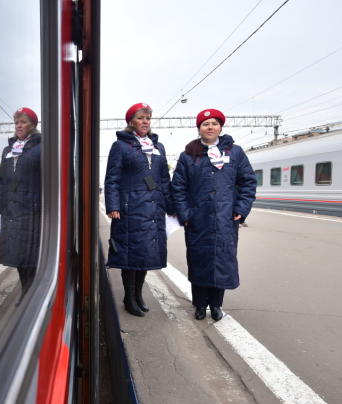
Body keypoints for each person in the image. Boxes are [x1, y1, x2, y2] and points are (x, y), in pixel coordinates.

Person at [170, 108, 256, 321]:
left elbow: (248, 182)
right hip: (198, 220)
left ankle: (216, 305)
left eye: (214, 124)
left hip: (225, 220)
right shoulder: (188, 155)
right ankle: (200, 305)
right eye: (205, 124)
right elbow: (178, 188)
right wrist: (186, 214)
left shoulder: (235, 153)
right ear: (199, 128)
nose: (210, 127)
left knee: (222, 262)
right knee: (199, 261)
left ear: (220, 127)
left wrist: (241, 209)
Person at [104, 103, 175, 316]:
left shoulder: (158, 147)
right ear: (131, 122)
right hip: (130, 208)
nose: (145, 122)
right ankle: (129, 297)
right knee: (130, 253)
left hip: (153, 208)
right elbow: (112, 179)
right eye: (141, 118)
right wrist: (113, 205)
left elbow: (163, 179)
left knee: (145, 253)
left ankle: (138, 294)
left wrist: (170, 205)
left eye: (148, 118)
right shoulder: (121, 146)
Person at [0, 107, 42, 298]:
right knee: (19, 255)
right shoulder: (9, 149)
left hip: (32, 210)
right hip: (12, 211)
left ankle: (31, 295)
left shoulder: (41, 148)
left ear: (32, 125)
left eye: (23, 122)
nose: (19, 126)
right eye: (16, 122)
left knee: (31, 256)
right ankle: (26, 292)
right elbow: (2, 180)